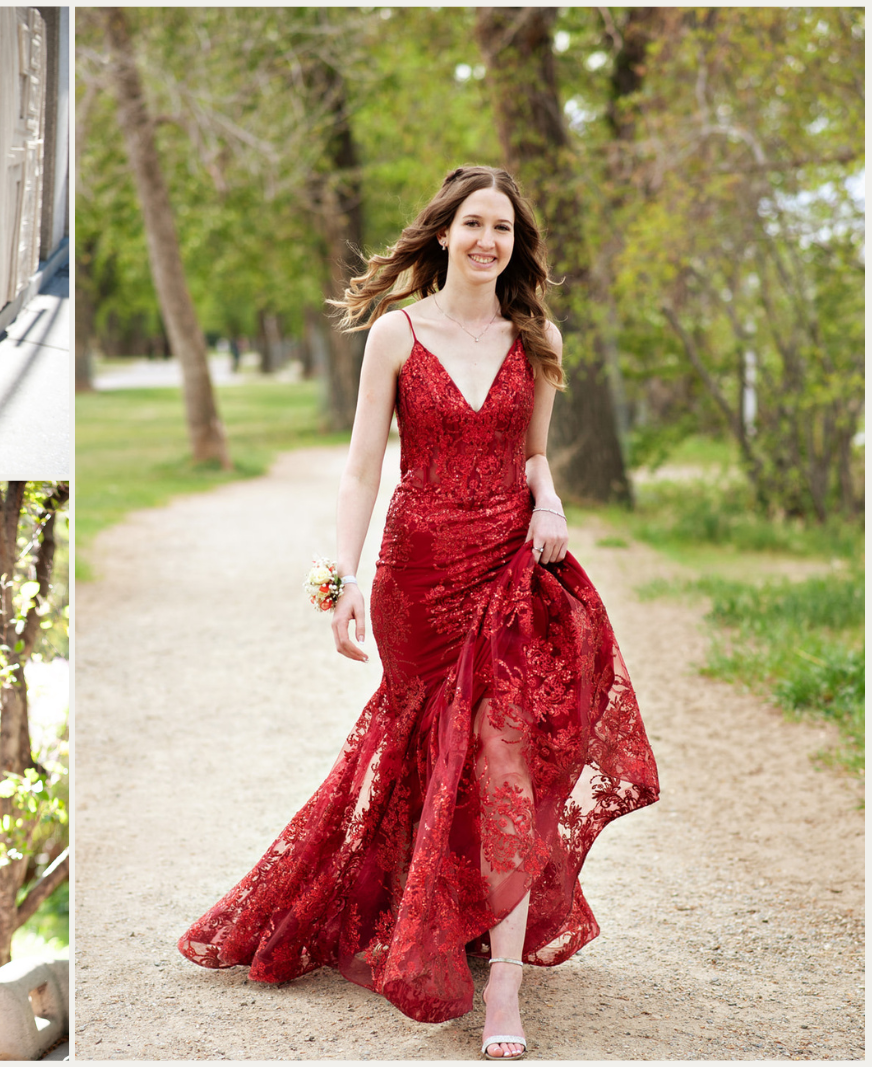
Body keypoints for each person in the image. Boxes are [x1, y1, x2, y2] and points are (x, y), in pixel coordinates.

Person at [177, 165, 660, 1060]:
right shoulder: (395, 335)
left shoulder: (538, 335)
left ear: (517, 246)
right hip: (418, 573)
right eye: (473, 223)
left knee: (506, 753)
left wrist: (548, 504)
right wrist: (340, 580)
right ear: (443, 233)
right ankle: (422, 906)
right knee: (426, 755)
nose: (487, 240)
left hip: (509, 565)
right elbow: (362, 466)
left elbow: (537, 454)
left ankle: (504, 983)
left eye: (503, 230)